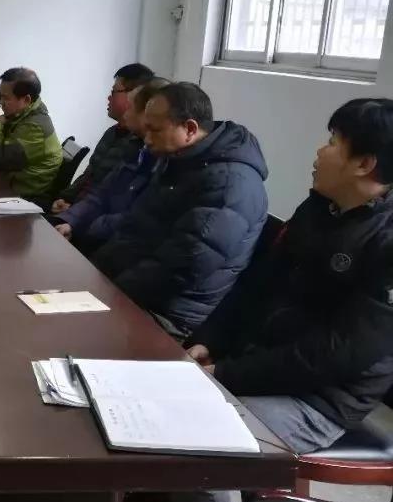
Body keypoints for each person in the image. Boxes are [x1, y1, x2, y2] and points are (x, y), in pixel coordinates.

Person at [173, 99, 393, 502]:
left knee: (201, 447)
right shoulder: (317, 208)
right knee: (156, 413)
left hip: (318, 399)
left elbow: (336, 354)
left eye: (332, 143)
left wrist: (227, 373)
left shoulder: (385, 241)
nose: (319, 151)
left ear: (364, 163)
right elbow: (257, 283)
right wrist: (209, 340)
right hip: (260, 364)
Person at [90, 82, 269, 339]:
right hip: (135, 291)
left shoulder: (230, 184)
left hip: (168, 315)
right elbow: (136, 229)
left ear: (190, 129)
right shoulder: (181, 161)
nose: (147, 139)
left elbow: (181, 266)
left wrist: (108, 292)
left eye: (155, 130)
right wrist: (95, 272)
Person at [53, 77, 170, 252]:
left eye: (130, 108)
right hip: (95, 228)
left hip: (113, 242)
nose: (126, 114)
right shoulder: (134, 146)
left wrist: (83, 224)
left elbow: (135, 217)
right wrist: (71, 219)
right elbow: (101, 192)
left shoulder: (161, 157)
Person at [51, 63, 154, 214]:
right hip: (77, 210)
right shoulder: (111, 132)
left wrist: (74, 211)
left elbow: (110, 196)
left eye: (114, 92)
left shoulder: (141, 145)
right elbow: (89, 174)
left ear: (135, 95)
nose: (109, 97)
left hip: (89, 216)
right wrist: (65, 198)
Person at [0, 67, 63, 201]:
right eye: (0, 96)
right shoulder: (19, 115)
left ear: (26, 99)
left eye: (5, 98)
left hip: (27, 198)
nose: (0, 103)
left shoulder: (34, 127)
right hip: (8, 187)